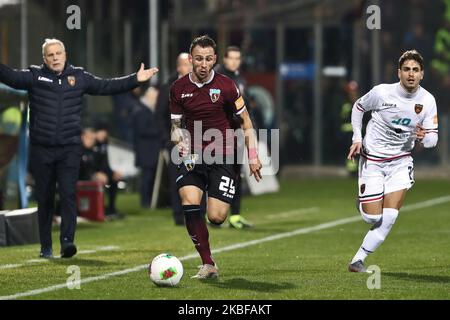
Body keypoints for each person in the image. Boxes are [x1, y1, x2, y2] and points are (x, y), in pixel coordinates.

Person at [0, 38, 158, 258]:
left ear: (65, 55)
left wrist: (135, 80)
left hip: (70, 148)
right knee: (44, 197)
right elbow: (10, 77)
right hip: (41, 148)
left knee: (68, 193)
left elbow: (106, 86)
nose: (55, 58)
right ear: (44, 58)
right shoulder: (35, 76)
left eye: (58, 53)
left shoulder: (80, 77)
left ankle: (67, 242)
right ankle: (46, 247)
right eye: (50, 55)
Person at [170, 35, 262, 279]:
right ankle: (208, 263)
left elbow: (246, 122)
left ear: (214, 60)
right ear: (190, 59)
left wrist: (253, 156)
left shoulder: (227, 86)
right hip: (192, 157)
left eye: (208, 59)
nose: (203, 64)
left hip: (223, 155)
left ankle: (211, 245)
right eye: (198, 59)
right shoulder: (178, 88)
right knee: (189, 201)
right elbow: (176, 126)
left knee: (217, 217)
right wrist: (180, 141)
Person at [347, 50, 438, 272]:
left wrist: (424, 138)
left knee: (389, 218)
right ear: (399, 72)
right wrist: (357, 138)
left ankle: (357, 260)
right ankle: (366, 198)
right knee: (372, 217)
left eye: (415, 70)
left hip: (400, 161)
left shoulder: (427, 101)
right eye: (406, 69)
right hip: (373, 159)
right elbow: (359, 107)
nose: (411, 74)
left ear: (422, 74)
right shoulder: (382, 93)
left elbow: (433, 138)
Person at [215, 46, 254, 229]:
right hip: (218, 134)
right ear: (224, 59)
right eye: (232, 58)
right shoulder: (216, 77)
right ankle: (212, 214)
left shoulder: (239, 78)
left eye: (238, 58)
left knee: (236, 175)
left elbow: (245, 107)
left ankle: (235, 216)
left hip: (237, 133)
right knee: (215, 174)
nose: (235, 61)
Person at [155, 52, 192, 225]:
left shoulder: (200, 85)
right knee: (177, 177)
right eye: (186, 64)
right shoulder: (167, 87)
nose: (190, 68)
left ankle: (200, 213)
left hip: (197, 138)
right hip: (175, 141)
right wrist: (167, 140)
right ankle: (178, 215)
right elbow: (160, 116)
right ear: (179, 67)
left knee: (199, 175)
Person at [133, 86, 161, 208]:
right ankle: (145, 202)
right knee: (147, 177)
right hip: (146, 150)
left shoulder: (147, 109)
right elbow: (142, 130)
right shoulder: (142, 110)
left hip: (150, 150)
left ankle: (149, 201)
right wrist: (159, 131)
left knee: (150, 177)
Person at [93, 121, 125, 220]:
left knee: (114, 180)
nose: (103, 134)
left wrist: (113, 173)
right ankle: (98, 209)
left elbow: (106, 163)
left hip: (104, 172)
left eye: (105, 132)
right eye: (101, 131)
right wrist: (95, 174)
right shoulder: (91, 143)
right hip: (93, 173)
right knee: (102, 181)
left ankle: (111, 208)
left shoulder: (106, 144)